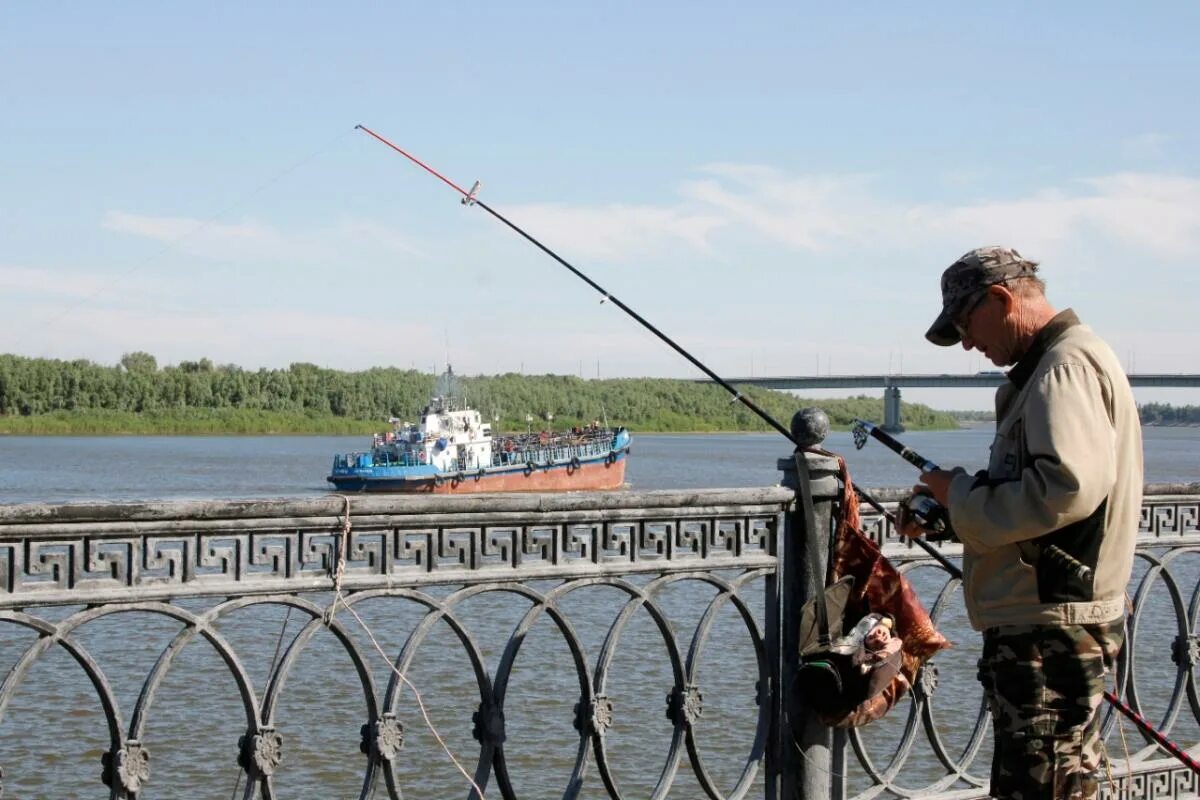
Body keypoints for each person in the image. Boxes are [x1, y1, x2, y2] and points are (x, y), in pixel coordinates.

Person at [900, 246, 1143, 799]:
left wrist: (960, 492)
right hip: (1054, 620)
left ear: (1001, 299)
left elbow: (1065, 491)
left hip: (1050, 629)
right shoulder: (1060, 364)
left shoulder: (1064, 367)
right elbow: (1044, 503)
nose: (967, 342)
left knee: (1039, 784)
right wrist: (949, 513)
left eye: (966, 323)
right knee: (1064, 781)